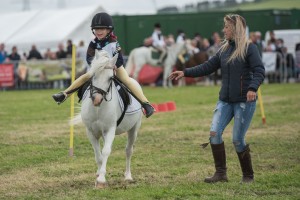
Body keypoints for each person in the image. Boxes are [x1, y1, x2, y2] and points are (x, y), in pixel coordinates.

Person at [169, 14, 265, 183]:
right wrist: (186, 72)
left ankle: (248, 175)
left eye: (227, 27)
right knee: (214, 133)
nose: (224, 30)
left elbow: (259, 71)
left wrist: (252, 88)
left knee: (237, 140)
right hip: (225, 101)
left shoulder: (250, 48)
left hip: (244, 101)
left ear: (236, 29)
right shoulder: (223, 50)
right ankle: (221, 174)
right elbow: (207, 67)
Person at [52, 12, 154, 118]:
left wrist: (114, 66)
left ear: (109, 30)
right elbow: (89, 58)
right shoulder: (93, 43)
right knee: (84, 77)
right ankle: (64, 94)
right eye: (96, 29)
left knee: (127, 80)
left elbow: (119, 59)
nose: (98, 32)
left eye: (102, 29)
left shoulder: (114, 43)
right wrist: (98, 65)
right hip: (98, 69)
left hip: (115, 68)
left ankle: (146, 104)